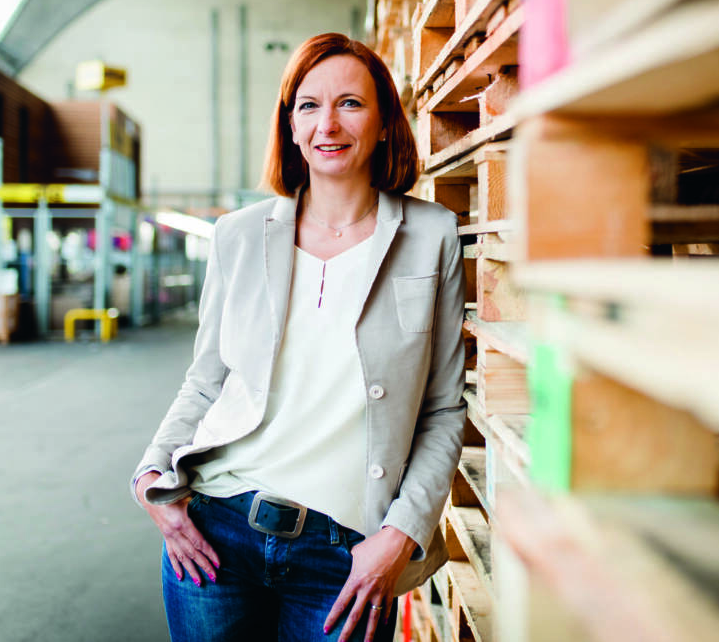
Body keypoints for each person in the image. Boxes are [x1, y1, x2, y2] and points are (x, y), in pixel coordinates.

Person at [131, 32, 467, 642]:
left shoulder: (431, 235)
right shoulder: (237, 235)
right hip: (217, 534)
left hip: (345, 559)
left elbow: (443, 410)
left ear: (386, 121)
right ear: (289, 126)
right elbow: (207, 381)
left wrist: (401, 534)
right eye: (308, 105)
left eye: (350, 103)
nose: (327, 124)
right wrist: (152, 475)